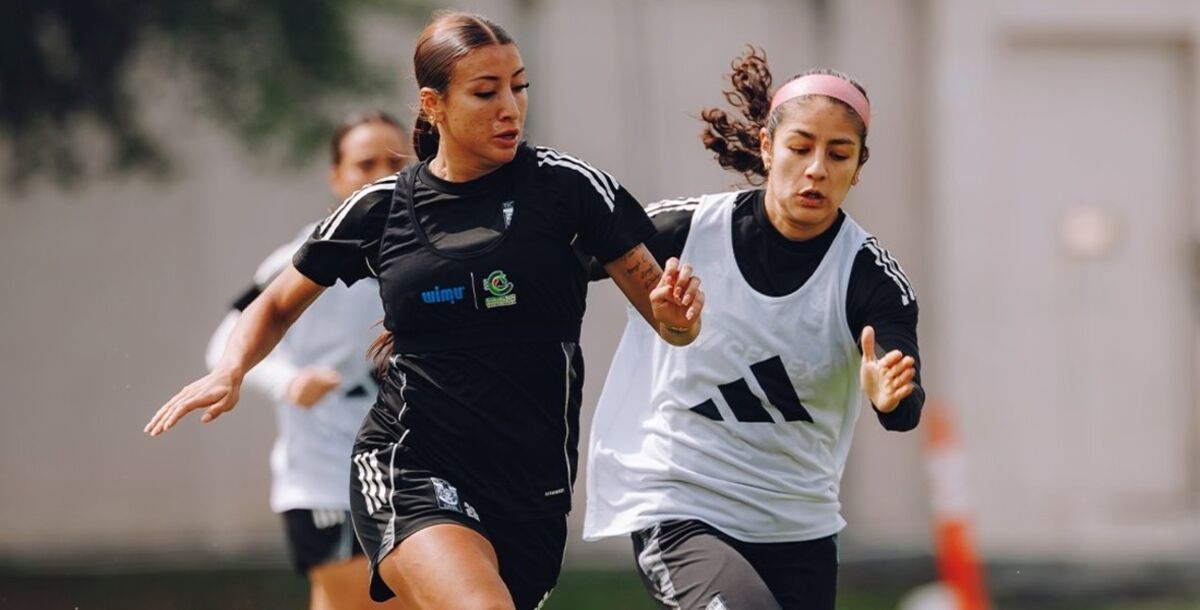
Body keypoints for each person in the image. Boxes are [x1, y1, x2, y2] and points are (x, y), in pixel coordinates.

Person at [145, 10, 704, 610]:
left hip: (531, 485)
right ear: (433, 105)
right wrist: (232, 370)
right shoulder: (380, 209)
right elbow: (275, 304)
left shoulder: (571, 189)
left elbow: (670, 324)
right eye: (486, 92)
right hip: (409, 463)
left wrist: (678, 316)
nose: (510, 108)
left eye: (519, 88)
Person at [583, 49, 924, 610]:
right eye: (799, 148)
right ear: (768, 149)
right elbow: (557, 264)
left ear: (858, 167)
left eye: (838, 155)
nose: (817, 169)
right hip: (682, 503)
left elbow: (905, 406)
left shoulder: (870, 277)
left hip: (798, 523)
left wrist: (892, 397)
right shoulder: (686, 229)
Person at [205, 111, 409, 610]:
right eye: (365, 164)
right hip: (326, 475)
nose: (382, 175)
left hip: (412, 468)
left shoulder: (425, 251)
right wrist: (288, 380)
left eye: (395, 162)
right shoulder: (305, 257)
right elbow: (229, 337)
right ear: (337, 177)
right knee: (363, 600)